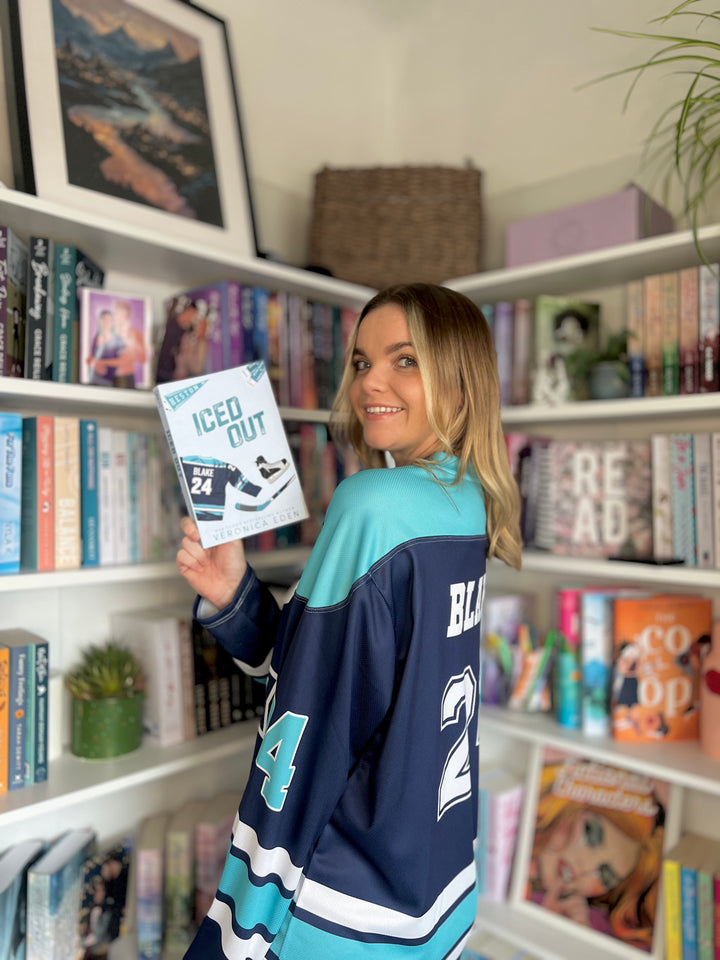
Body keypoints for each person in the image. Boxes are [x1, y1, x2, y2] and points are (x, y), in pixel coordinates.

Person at [176, 282, 522, 959]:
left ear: (459, 379)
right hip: (436, 894)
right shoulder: (471, 505)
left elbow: (306, 727)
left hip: (342, 908)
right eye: (363, 363)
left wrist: (240, 930)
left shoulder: (372, 503)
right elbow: (339, 673)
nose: (372, 384)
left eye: (405, 360)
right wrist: (234, 596)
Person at [527, 757, 666, 952]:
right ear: (566, 806)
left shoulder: (594, 923)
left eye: (606, 875)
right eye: (592, 835)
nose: (585, 867)